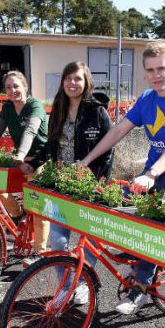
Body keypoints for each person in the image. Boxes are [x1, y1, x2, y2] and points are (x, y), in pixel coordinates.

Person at [80, 42, 165, 315]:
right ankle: (123, 260)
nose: (156, 75)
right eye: (150, 70)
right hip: (150, 176)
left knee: (152, 223)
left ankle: (140, 289)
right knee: (107, 206)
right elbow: (116, 133)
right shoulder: (147, 99)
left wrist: (151, 174)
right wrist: (86, 161)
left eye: (161, 68)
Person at [45, 61, 114, 304]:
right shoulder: (58, 109)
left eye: (77, 79)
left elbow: (108, 150)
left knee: (90, 236)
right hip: (62, 182)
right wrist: (36, 165)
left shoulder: (97, 111)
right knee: (58, 237)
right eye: (68, 78)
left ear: (86, 83)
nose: (72, 83)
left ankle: (84, 281)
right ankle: (66, 283)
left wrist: (99, 182)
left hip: (90, 184)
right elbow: (50, 145)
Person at [0, 70, 50, 254]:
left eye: (16, 86)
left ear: (25, 87)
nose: (12, 90)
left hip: (39, 160)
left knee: (38, 207)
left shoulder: (35, 106)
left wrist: (20, 155)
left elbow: (30, 131)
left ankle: (39, 253)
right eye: (8, 87)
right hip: (21, 159)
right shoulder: (8, 107)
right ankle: (18, 214)